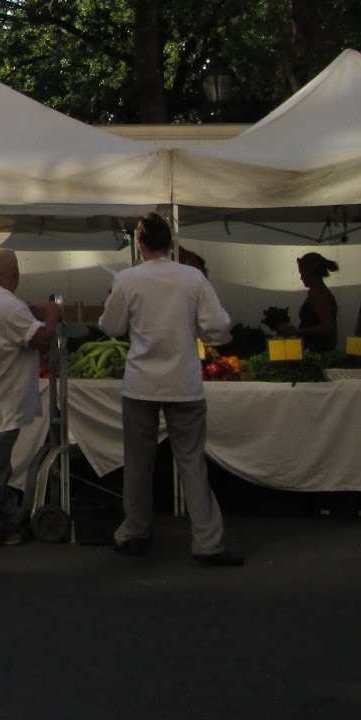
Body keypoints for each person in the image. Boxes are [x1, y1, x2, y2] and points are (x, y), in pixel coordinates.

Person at [99, 211, 243, 567]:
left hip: (141, 382)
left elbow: (112, 327)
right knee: (192, 462)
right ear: (170, 243)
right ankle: (208, 542)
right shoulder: (192, 277)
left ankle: (135, 531)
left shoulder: (128, 279)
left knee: (138, 463)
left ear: (142, 245)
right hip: (185, 382)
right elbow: (217, 325)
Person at [0, 249, 62, 545]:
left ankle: (3, 513)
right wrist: (52, 318)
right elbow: (40, 340)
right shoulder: (7, 306)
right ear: (15, 274)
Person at [281, 251, 339, 353]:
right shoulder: (316, 292)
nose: (301, 278)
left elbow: (327, 326)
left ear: (310, 273)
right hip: (314, 349)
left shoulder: (320, 295)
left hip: (319, 351)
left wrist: (296, 331)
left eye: (302, 274)